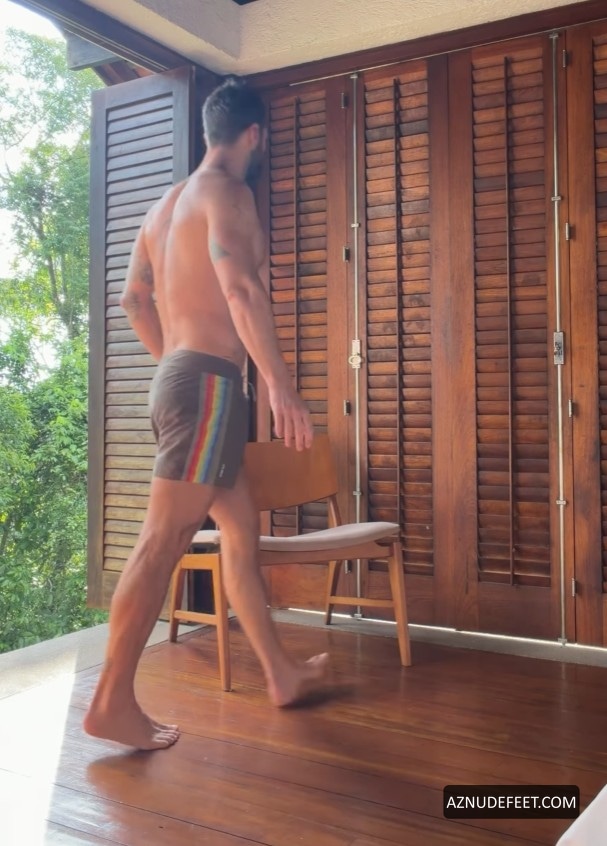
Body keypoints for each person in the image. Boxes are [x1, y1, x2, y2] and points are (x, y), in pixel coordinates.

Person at [84, 79, 329, 751]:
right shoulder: (229, 192)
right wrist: (279, 386)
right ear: (254, 135)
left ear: (205, 133)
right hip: (207, 387)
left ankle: (279, 672)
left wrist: (174, 362)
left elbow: (134, 300)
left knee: (240, 528)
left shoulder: (162, 209)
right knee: (161, 542)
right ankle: (110, 702)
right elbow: (240, 288)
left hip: (181, 379)